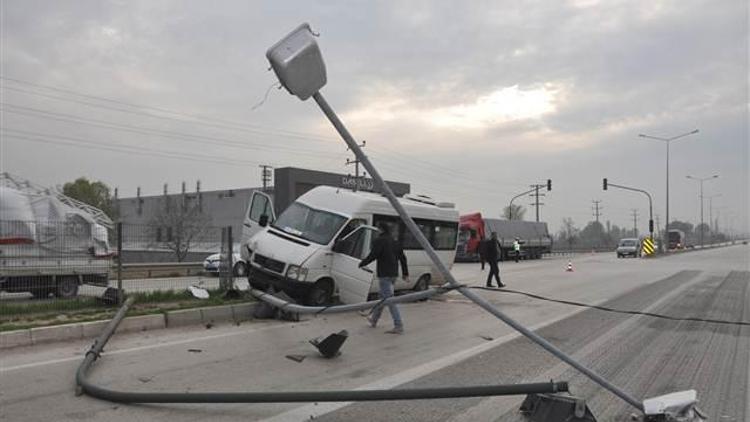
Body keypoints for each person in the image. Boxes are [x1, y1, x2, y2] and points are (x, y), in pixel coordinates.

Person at [359, 222, 409, 334]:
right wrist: (405, 273)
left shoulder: (380, 241)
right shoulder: (395, 241)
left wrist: (362, 263)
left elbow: (373, 255)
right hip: (393, 274)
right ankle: (374, 320)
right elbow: (403, 258)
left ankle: (398, 325)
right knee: (382, 298)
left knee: (390, 300)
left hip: (384, 274)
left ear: (381, 229)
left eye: (378, 229)